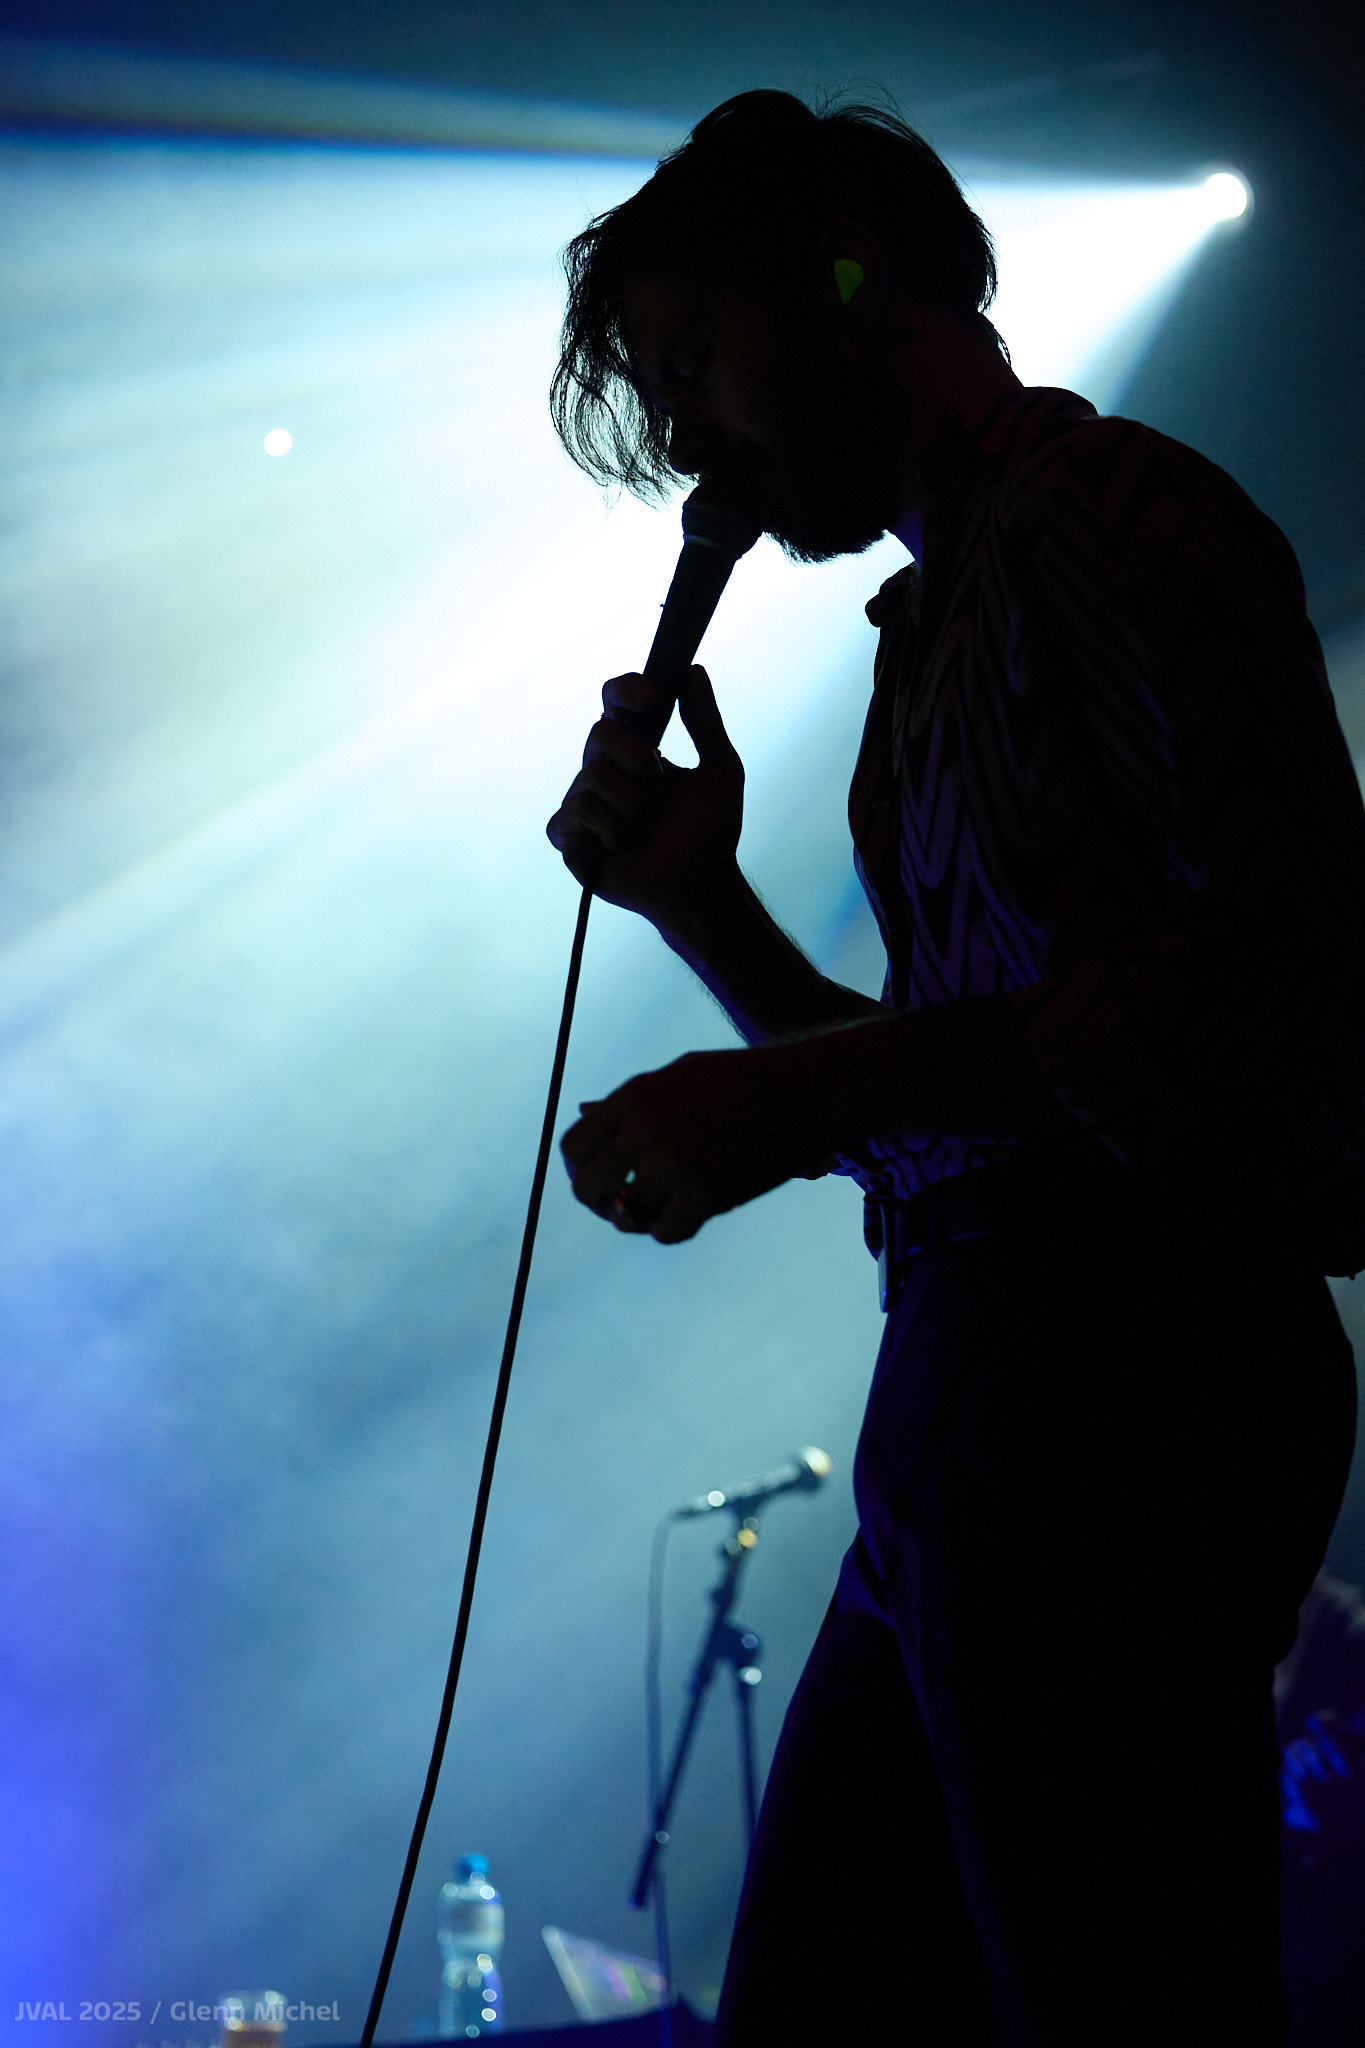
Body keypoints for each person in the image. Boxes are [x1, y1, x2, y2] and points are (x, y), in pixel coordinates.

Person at [545, 90, 1365, 2045]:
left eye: (695, 360)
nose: (688, 444)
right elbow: (957, 1095)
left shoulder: (1108, 512)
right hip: (984, 1378)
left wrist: (786, 1102)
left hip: (1122, 1363)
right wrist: (705, 914)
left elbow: (1255, 980)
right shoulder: (935, 625)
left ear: (846, 279)